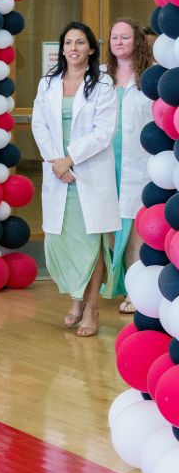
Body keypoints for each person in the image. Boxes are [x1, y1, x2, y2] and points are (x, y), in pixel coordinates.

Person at [31, 21, 120, 338]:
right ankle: (77, 299)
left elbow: (103, 132)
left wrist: (69, 159)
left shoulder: (103, 84)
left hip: (89, 173)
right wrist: (56, 162)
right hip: (60, 175)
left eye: (80, 42)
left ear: (91, 49)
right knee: (62, 243)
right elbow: (39, 125)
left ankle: (91, 309)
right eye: (68, 43)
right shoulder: (48, 83)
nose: (73, 48)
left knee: (91, 244)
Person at [103, 19, 152, 313]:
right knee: (110, 231)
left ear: (137, 41)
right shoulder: (100, 76)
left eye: (125, 37)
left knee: (135, 231)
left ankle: (135, 292)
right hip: (106, 164)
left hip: (139, 164)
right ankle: (117, 282)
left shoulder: (151, 76)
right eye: (114, 37)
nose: (119, 42)